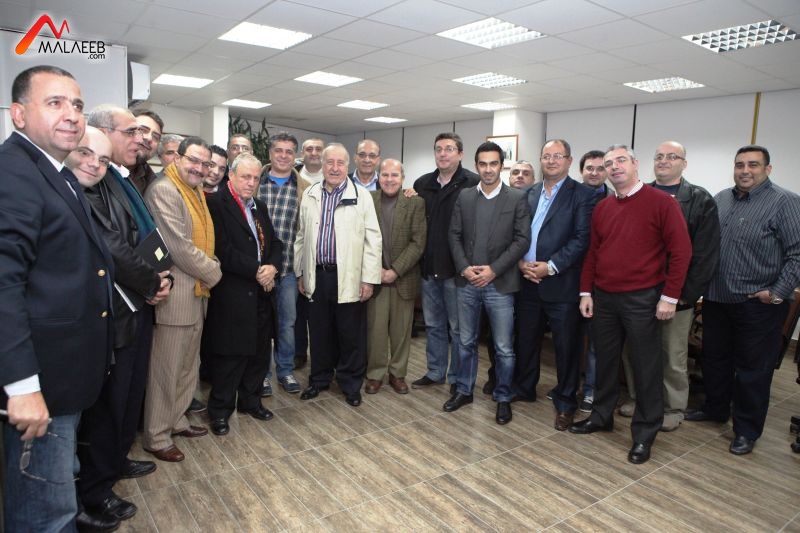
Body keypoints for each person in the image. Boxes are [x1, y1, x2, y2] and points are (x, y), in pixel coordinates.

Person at [1, 65, 114, 532]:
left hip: (64, 374)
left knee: (58, 489)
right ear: (18, 114)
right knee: (45, 512)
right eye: (55, 103)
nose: (71, 114)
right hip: (42, 381)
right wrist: (22, 386)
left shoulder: (54, 172)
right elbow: (4, 283)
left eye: (77, 105)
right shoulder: (14, 173)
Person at [75, 109, 171, 528]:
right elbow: (112, 244)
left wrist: (159, 276)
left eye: (145, 133)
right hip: (118, 307)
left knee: (130, 395)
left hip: (138, 301)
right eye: (132, 131)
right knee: (110, 406)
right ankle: (95, 493)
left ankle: (115, 462)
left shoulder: (119, 177)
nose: (140, 139)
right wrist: (152, 280)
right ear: (102, 133)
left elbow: (140, 235)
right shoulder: (91, 180)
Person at [571, 144, 691, 465]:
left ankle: (644, 433)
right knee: (606, 361)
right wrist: (585, 292)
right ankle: (601, 416)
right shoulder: (603, 208)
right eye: (609, 163)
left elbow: (681, 252)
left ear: (636, 164)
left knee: (645, 366)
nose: (614, 167)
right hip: (604, 297)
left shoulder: (662, 203)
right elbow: (593, 253)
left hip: (643, 298)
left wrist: (669, 296)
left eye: (620, 160)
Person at [686, 145, 800, 455]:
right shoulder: (721, 199)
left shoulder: (786, 202)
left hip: (758, 304)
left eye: (753, 164)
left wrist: (776, 293)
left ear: (768, 169)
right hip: (717, 298)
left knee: (753, 369)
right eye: (739, 165)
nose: (745, 171)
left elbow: (797, 254)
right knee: (715, 359)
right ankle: (715, 408)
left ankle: (747, 430)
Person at [142, 137, 222, 462]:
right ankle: (157, 435)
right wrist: (214, 271)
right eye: (194, 160)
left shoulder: (194, 190)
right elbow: (178, 247)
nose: (200, 168)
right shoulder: (164, 190)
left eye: (205, 164)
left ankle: (176, 420)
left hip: (195, 293)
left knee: (188, 367)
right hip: (175, 296)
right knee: (166, 370)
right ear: (177, 158)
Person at [446, 141, 531, 425]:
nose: (488, 169)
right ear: (476, 165)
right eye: (482, 164)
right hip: (468, 282)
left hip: (500, 284)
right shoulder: (465, 196)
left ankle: (503, 396)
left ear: (502, 166)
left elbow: (522, 240)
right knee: (465, 342)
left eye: (493, 163)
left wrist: (493, 270)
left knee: (503, 347)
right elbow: (454, 235)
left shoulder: (517, 198)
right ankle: (464, 390)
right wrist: (464, 268)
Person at [514, 140, 595, 431]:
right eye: (546, 156)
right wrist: (520, 262)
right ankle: (525, 388)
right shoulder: (529, 192)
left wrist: (549, 266)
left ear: (569, 161)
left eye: (557, 156)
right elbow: (517, 233)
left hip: (562, 284)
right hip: (527, 280)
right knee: (526, 340)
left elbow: (582, 239)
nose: (551, 161)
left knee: (566, 347)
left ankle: (565, 403)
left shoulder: (583, 195)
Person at [294, 144, 381, 407]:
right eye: (329, 162)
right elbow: (301, 236)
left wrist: (368, 279)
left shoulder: (362, 196)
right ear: (322, 165)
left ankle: (350, 384)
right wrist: (300, 272)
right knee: (319, 332)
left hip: (349, 277)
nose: (334, 168)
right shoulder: (310, 194)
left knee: (349, 334)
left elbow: (373, 240)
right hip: (317, 275)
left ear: (347, 166)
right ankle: (319, 379)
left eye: (339, 163)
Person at [205, 153, 282, 435]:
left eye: (255, 178)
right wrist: (257, 269)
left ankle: (251, 402)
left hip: (262, 293)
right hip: (233, 294)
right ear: (231, 176)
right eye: (245, 177)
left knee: (259, 353)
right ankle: (220, 411)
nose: (251, 183)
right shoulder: (216, 204)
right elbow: (220, 250)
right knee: (231, 356)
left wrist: (273, 266)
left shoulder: (259, 206)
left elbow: (275, 243)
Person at [648, 141, 720, 431]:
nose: (664, 161)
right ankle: (641, 399)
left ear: (684, 164)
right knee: (638, 352)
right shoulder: (642, 193)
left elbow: (704, 255)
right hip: (641, 292)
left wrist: (683, 296)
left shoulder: (700, 200)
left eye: (672, 156)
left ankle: (673, 408)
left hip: (676, 296)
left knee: (672, 355)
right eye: (659, 156)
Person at [412, 133, 479, 392]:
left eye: (449, 149)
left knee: (459, 330)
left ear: (460, 154)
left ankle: (457, 378)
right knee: (433, 325)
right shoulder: (422, 184)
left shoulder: (472, 183)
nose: (443, 153)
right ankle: (435, 371)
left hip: (458, 272)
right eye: (439, 149)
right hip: (429, 269)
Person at [365, 159, 426, 394]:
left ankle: (398, 374)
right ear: (378, 177)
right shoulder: (368, 200)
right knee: (376, 331)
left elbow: (418, 242)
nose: (389, 179)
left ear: (402, 178)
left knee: (401, 332)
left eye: (394, 175)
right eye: (385, 175)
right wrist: (376, 270)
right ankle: (375, 374)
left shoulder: (415, 202)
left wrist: (395, 271)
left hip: (403, 278)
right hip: (376, 278)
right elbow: (361, 238)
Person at [257, 132, 310, 396]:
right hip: (258, 271)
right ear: (270, 153)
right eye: (278, 150)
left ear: (295, 156)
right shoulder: (255, 182)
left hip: (288, 269)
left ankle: (285, 370)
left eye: (289, 151)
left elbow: (307, 232)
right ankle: (262, 375)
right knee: (260, 325)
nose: (283, 156)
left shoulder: (305, 188)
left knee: (287, 325)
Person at [577, 149, 612, 412]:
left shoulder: (614, 200)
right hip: (568, 278)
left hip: (600, 283)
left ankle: (591, 391)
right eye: (590, 168)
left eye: (601, 168)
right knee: (571, 339)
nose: (595, 173)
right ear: (581, 170)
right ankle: (569, 387)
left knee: (597, 343)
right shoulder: (570, 196)